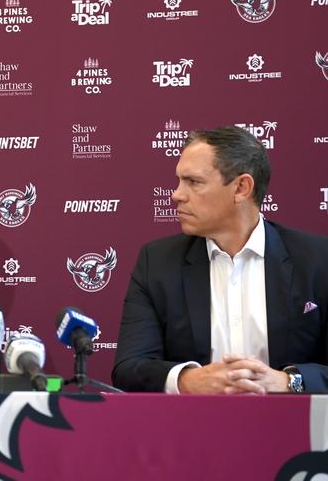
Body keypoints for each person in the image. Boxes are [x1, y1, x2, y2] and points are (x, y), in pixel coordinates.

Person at [112, 126, 328, 394]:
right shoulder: (156, 263)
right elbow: (129, 367)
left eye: (193, 182)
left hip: (296, 430)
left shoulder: (318, 260)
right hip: (192, 429)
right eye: (179, 181)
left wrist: (287, 381)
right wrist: (189, 380)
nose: (176, 194)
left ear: (241, 188)